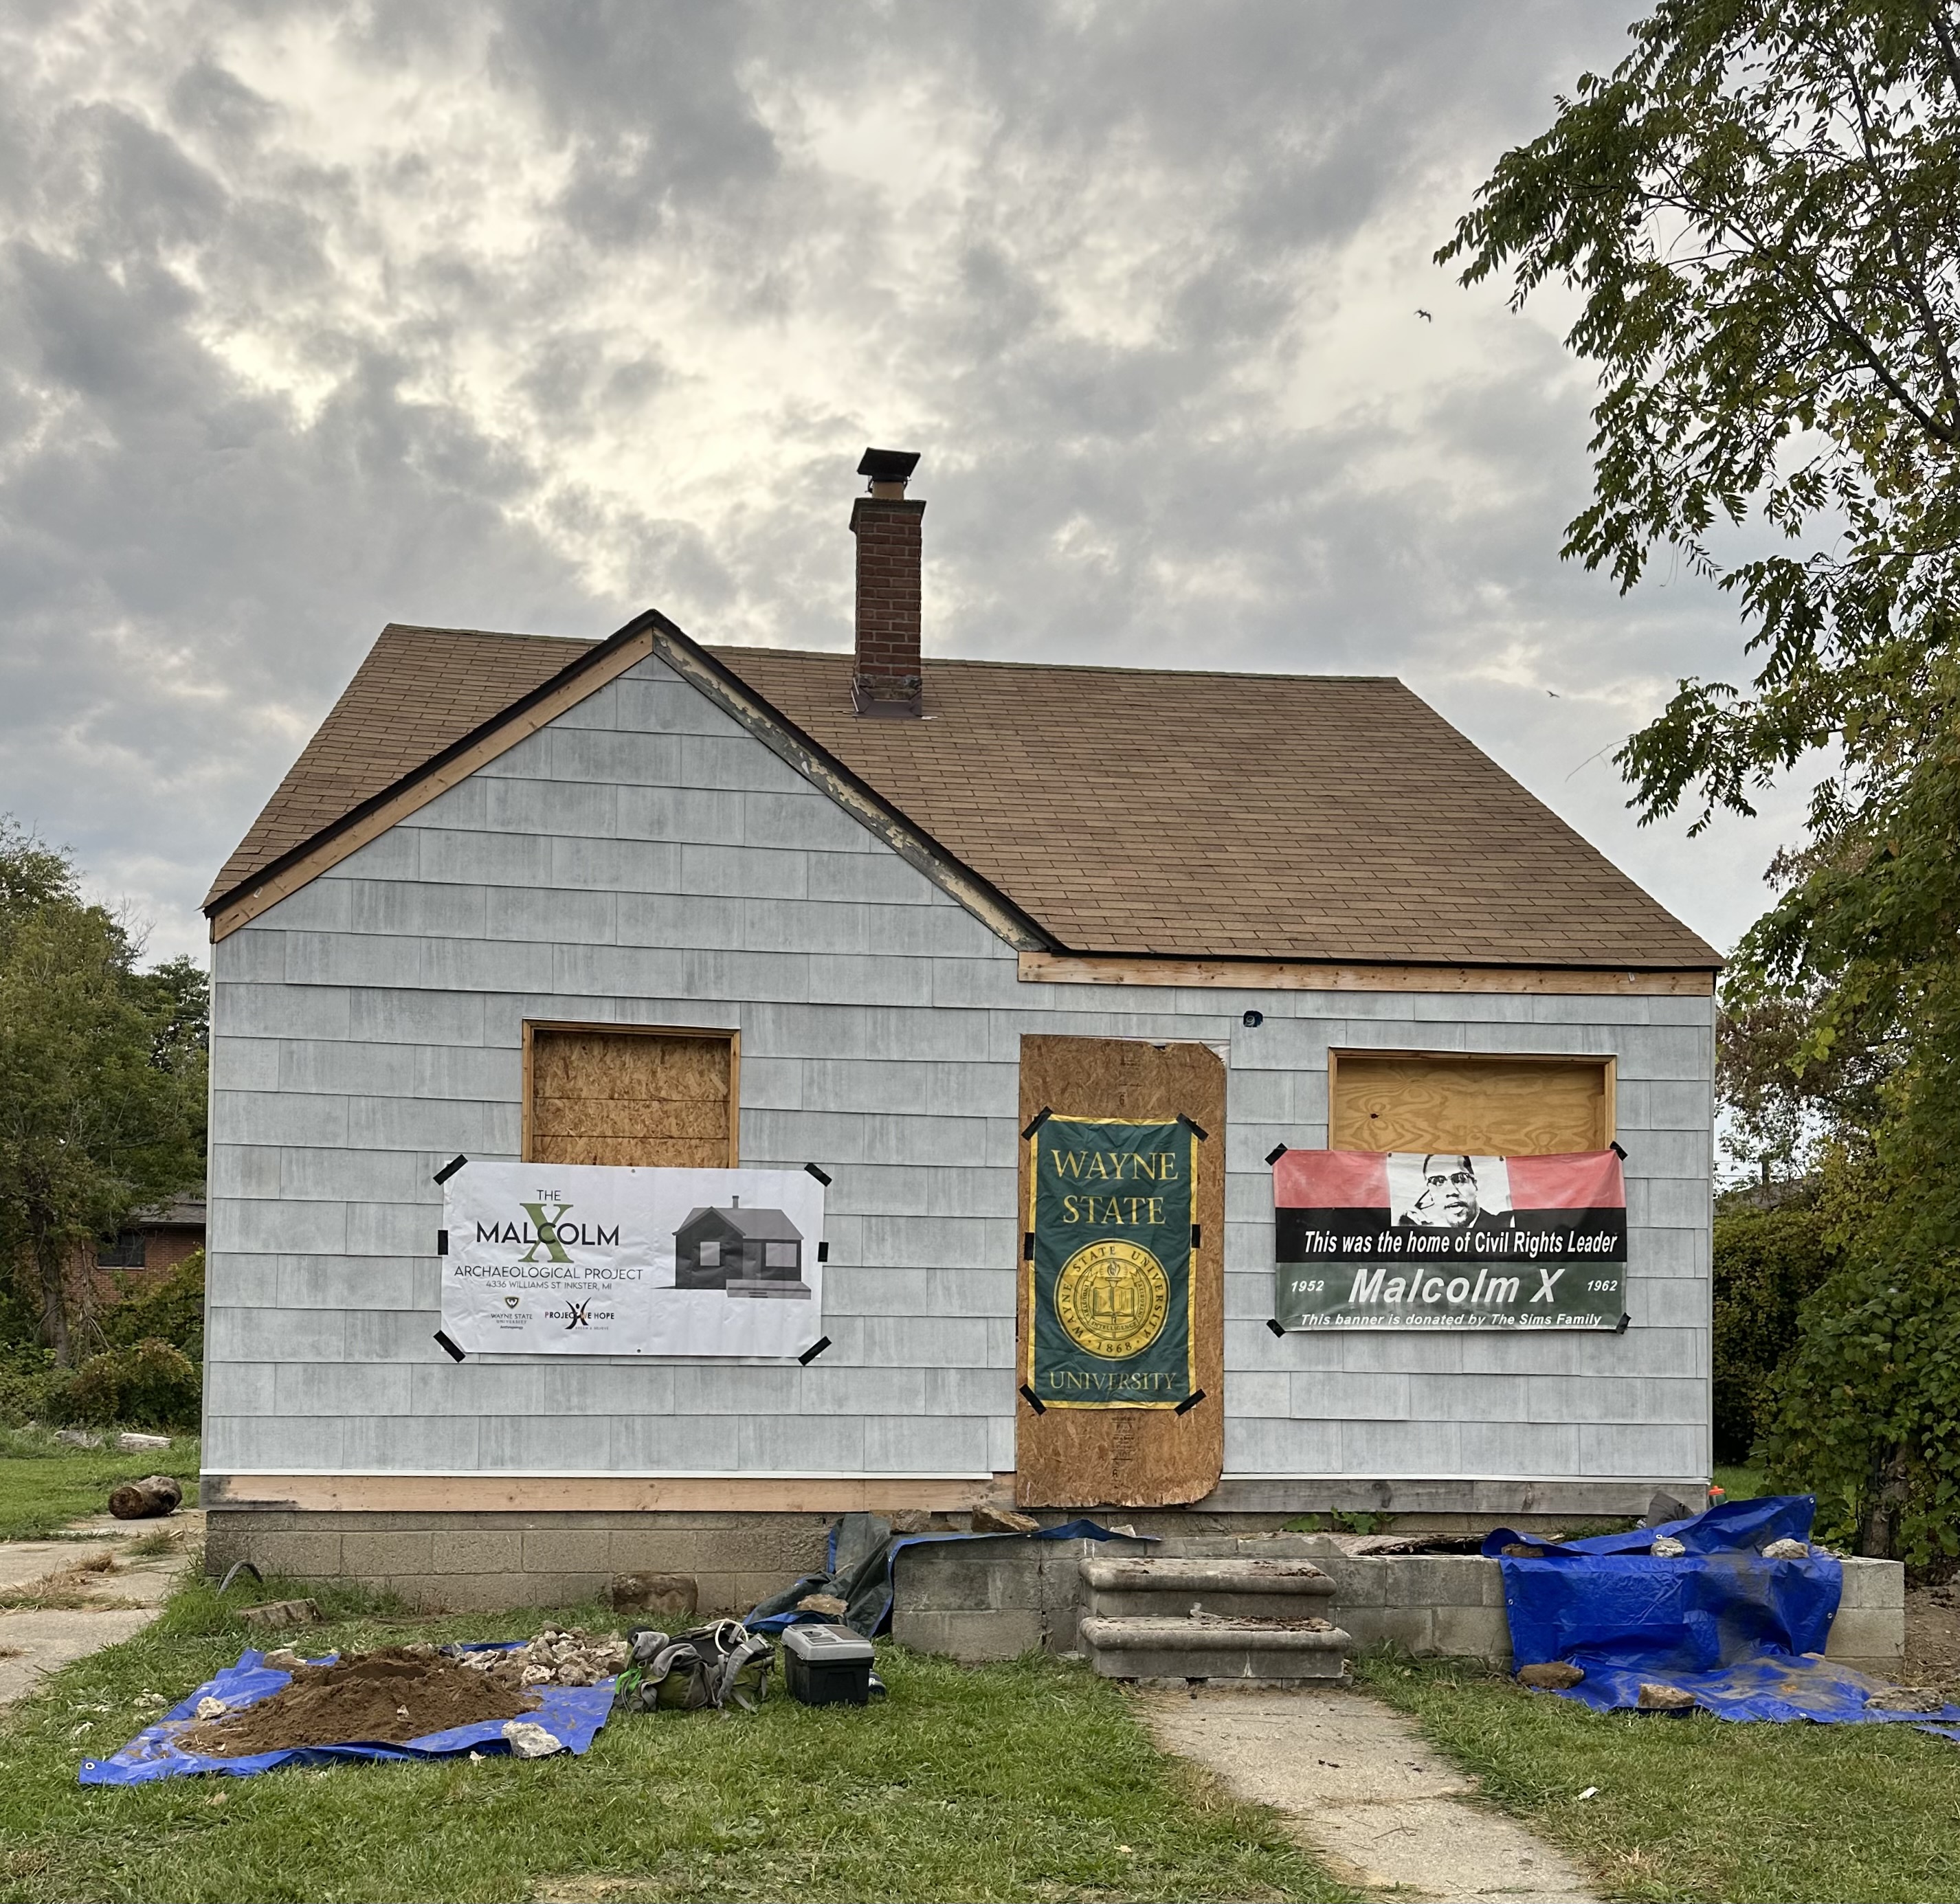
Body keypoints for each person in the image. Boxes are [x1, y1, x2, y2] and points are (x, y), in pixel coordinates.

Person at [1398, 1154, 1512, 1233]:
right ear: (1430, 1193)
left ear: (1475, 1186)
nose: (1451, 1191)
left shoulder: (1507, 1223)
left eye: (1460, 1178)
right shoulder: (1428, 1237)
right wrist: (1405, 1232)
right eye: (1437, 1181)